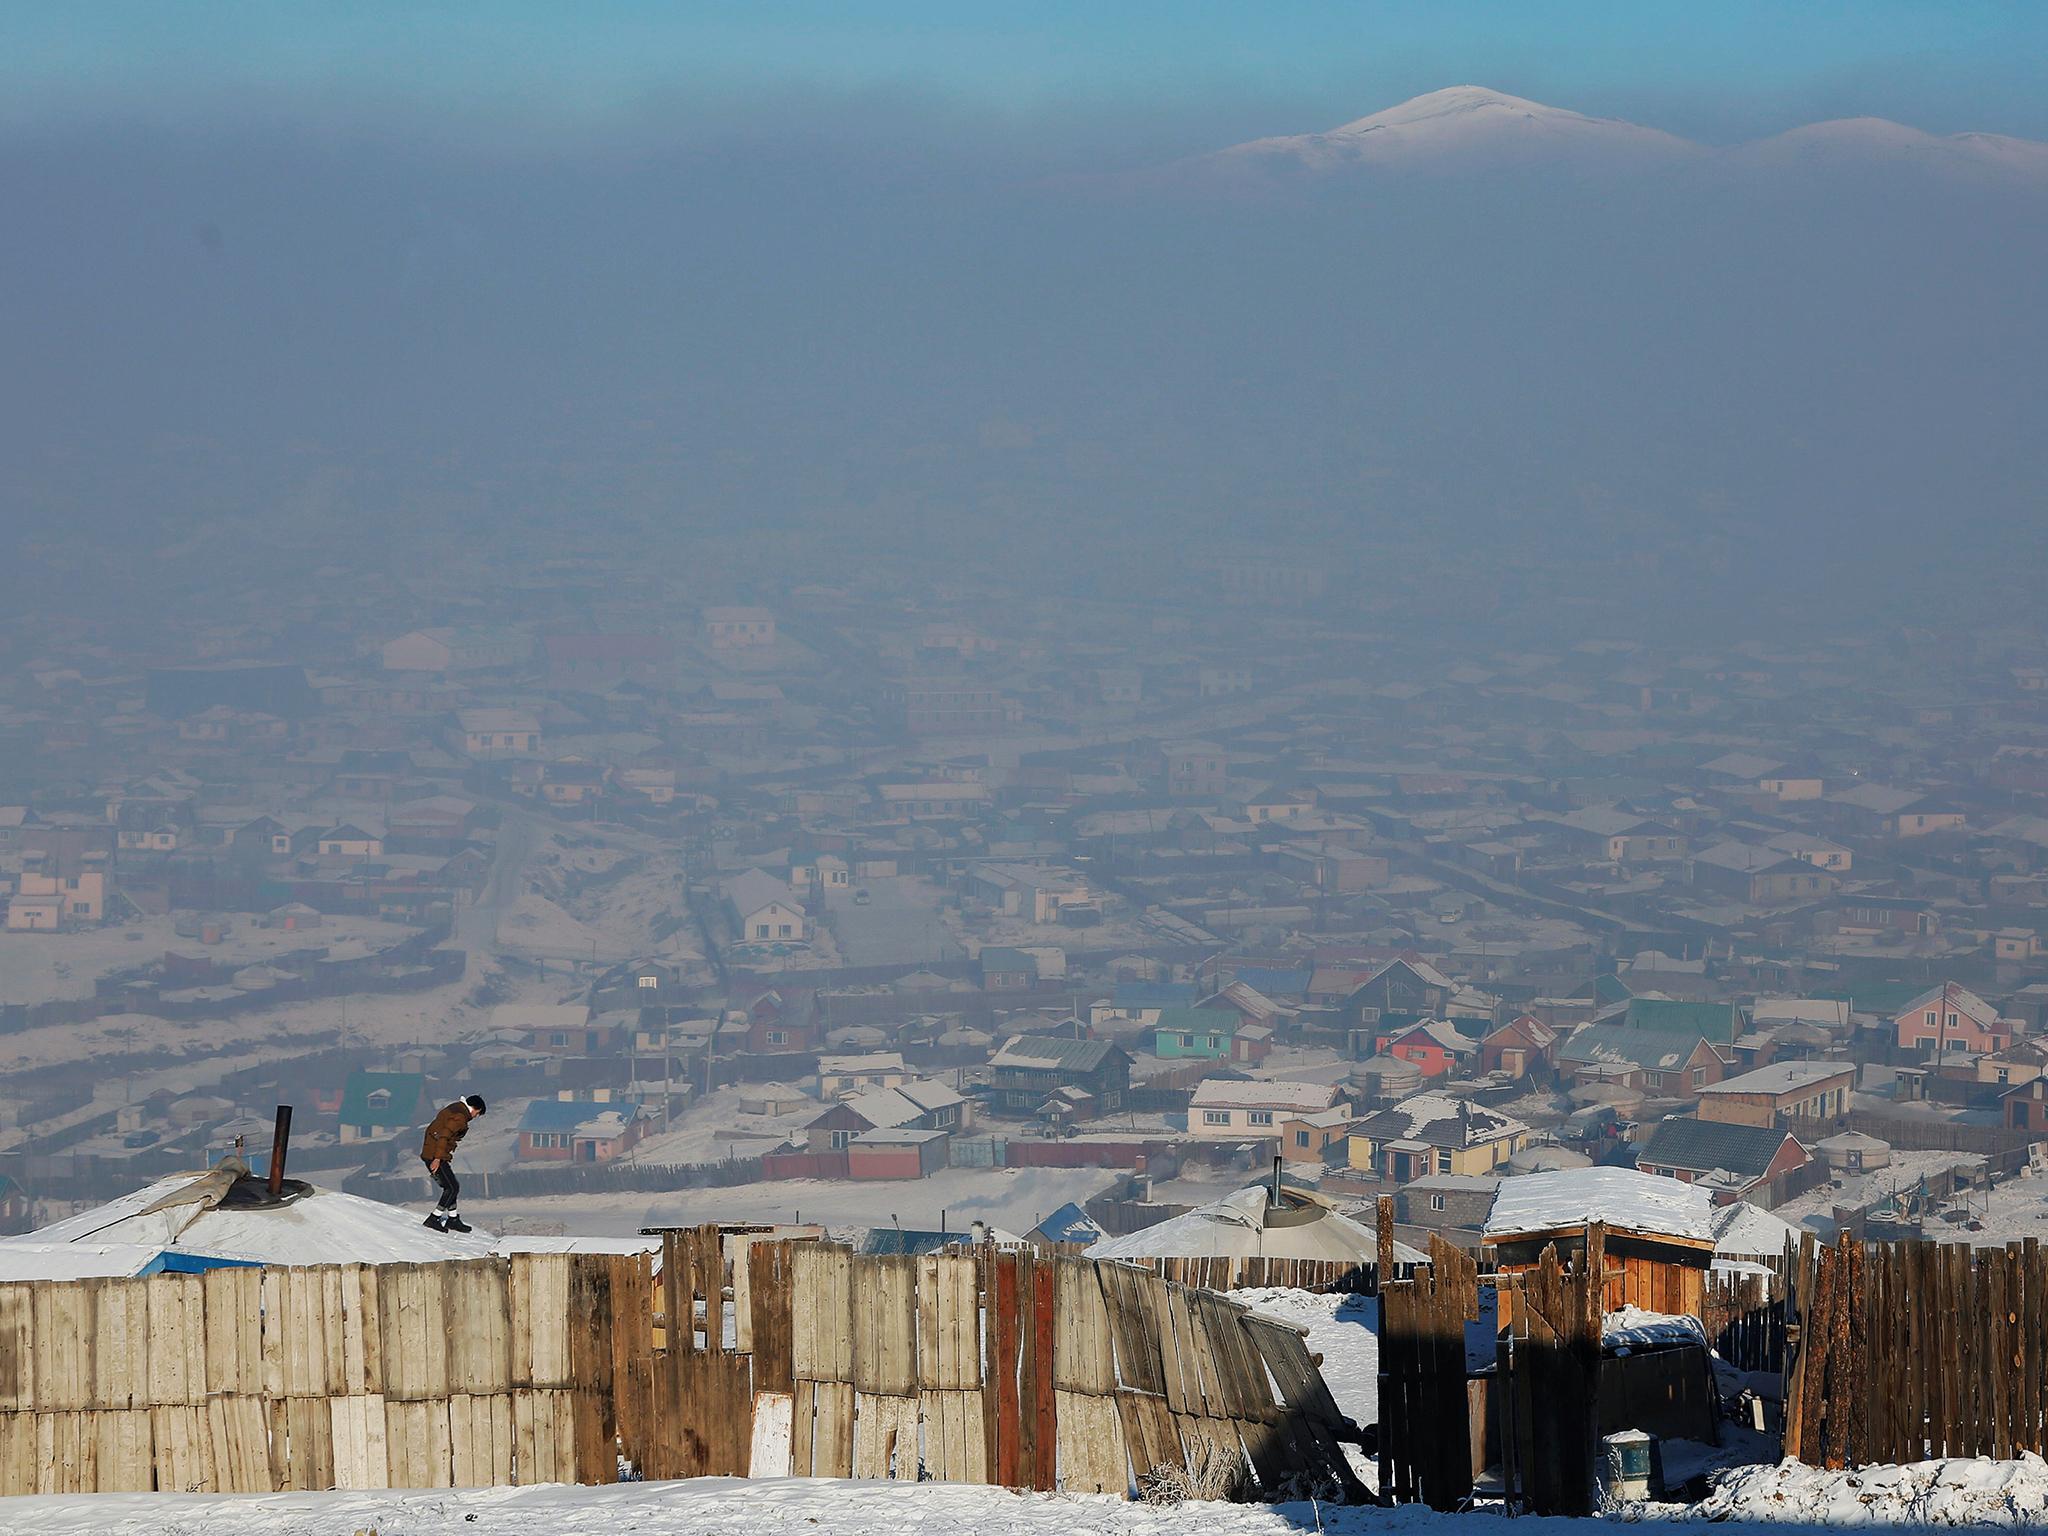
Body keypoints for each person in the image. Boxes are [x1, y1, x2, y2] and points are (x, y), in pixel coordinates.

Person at [419, 1093, 486, 1233]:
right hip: (435, 1154)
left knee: (451, 1185)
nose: (475, 1117)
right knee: (452, 1188)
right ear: (474, 1108)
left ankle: (452, 1219)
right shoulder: (460, 1117)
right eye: (477, 1113)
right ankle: (434, 1218)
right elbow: (444, 1136)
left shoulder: (456, 1108)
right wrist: (437, 1159)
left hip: (435, 1152)